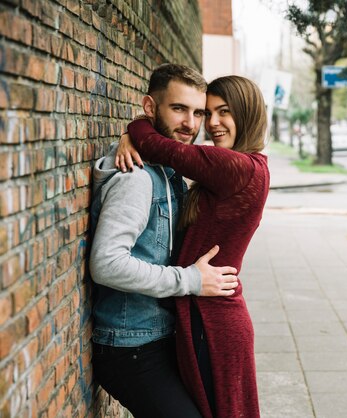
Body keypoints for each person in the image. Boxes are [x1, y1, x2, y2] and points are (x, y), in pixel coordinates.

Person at [89, 64, 240, 418]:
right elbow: (106, 263)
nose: (191, 123)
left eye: (198, 112)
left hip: (159, 336)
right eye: (178, 109)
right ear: (150, 107)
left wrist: (135, 135)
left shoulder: (167, 168)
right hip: (130, 347)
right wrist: (190, 280)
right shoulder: (137, 178)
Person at [117, 75, 269, 418]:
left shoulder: (237, 167)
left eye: (224, 112)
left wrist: (135, 127)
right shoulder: (244, 167)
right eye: (208, 113)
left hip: (212, 322)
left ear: (247, 115)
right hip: (210, 315)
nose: (212, 124)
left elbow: (158, 146)